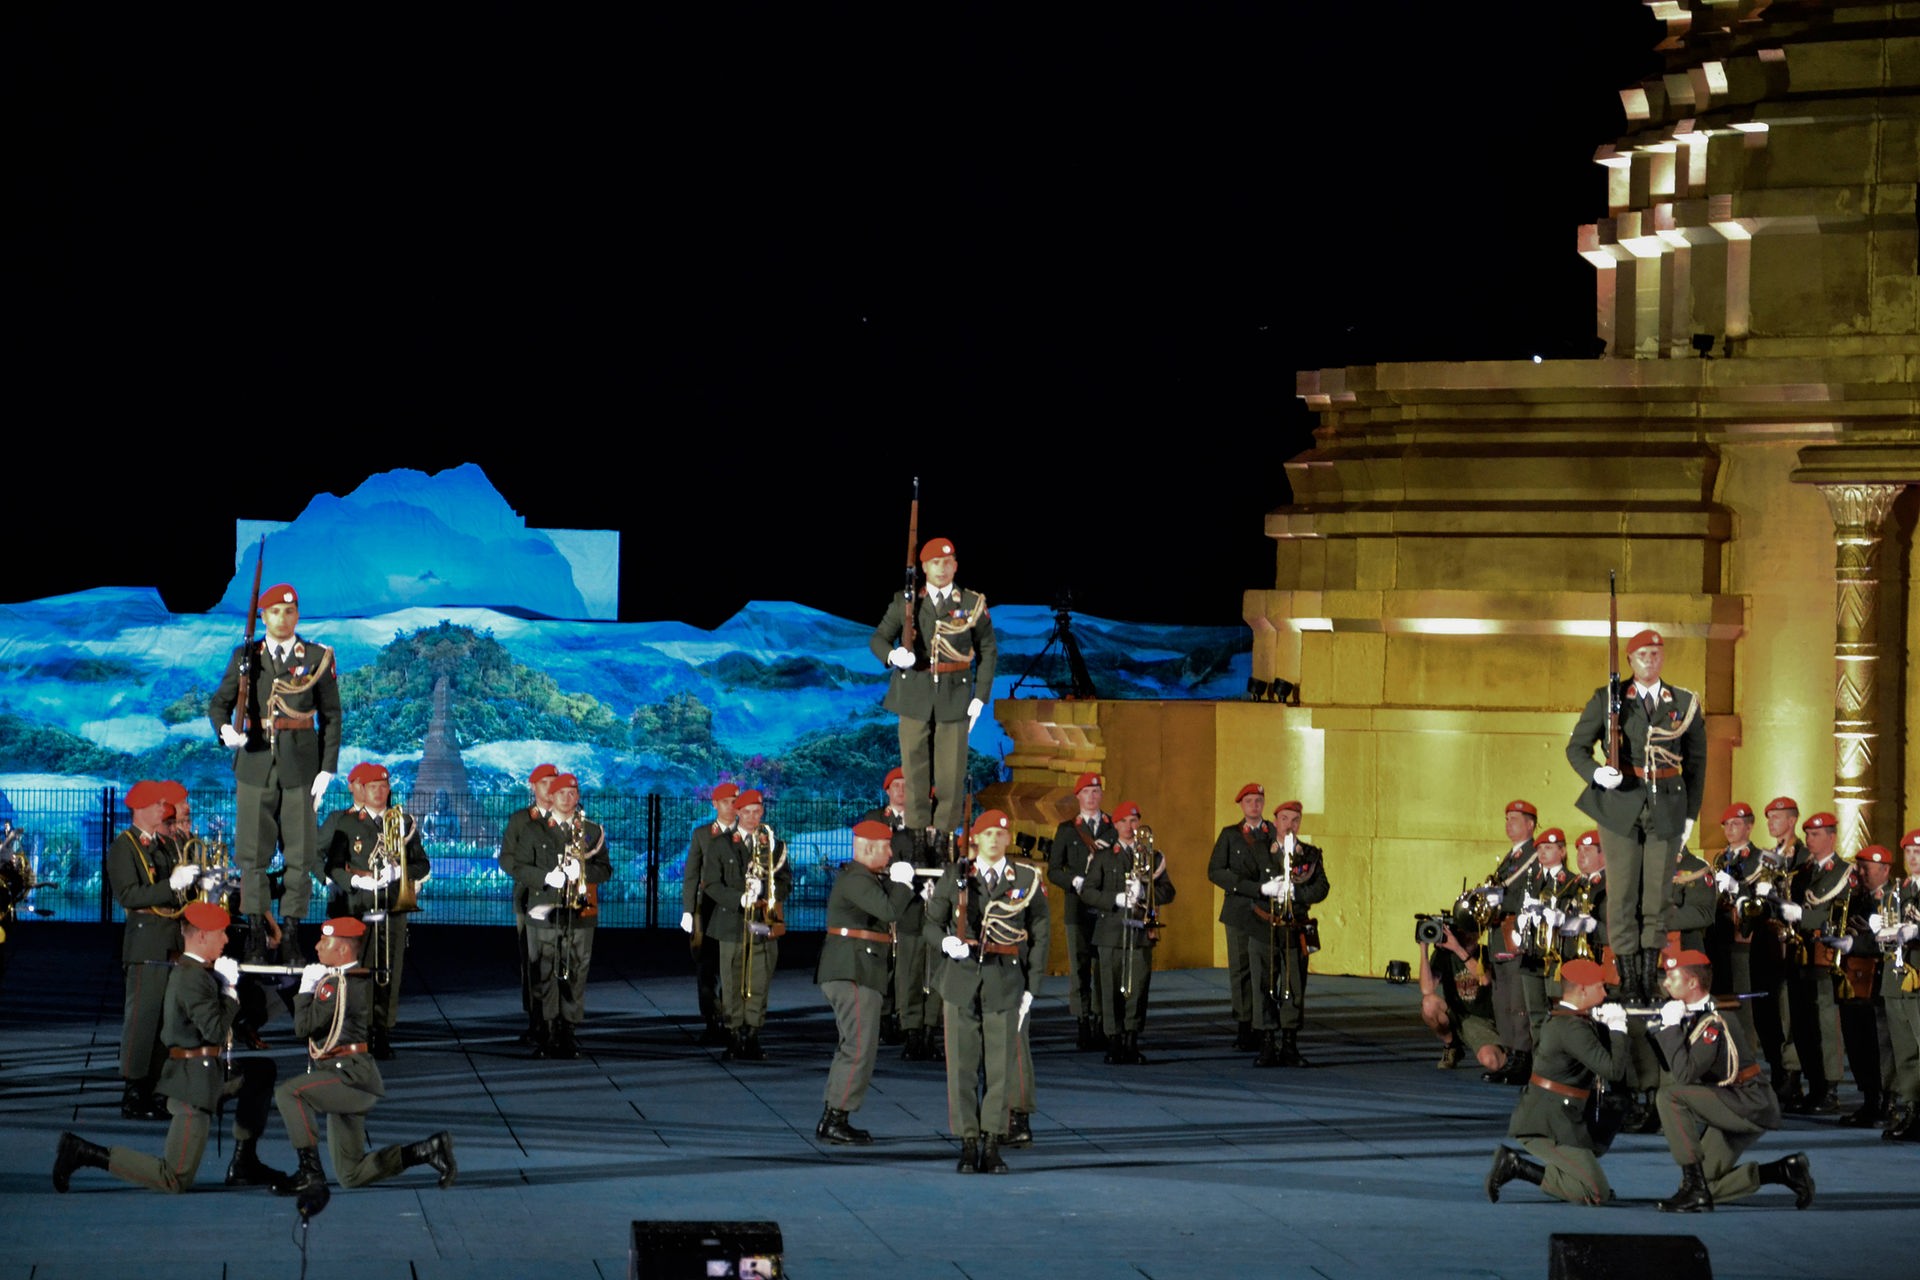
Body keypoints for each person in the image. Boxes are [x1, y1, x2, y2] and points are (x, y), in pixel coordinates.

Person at [53, 902, 286, 1194]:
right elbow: (214, 1029)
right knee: (174, 1178)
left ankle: (244, 1161)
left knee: (261, 1071)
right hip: (193, 1084)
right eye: (221, 934)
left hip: (208, 1073)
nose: (227, 940)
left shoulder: (198, 971)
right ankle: (84, 1153)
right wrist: (229, 990)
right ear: (201, 936)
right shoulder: (192, 977)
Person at [1566, 628, 1706, 1003]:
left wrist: (1690, 814)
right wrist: (1596, 773)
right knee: (1623, 895)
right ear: (1629, 659)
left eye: (1656, 654)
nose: (1650, 660)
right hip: (1620, 803)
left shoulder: (1682, 702)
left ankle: (1648, 977)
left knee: (1657, 897)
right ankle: (1628, 978)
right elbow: (1576, 748)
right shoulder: (1608, 698)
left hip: (1667, 804)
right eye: (1642, 654)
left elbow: (1696, 764)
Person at [273, 917, 455, 1198]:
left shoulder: (336, 985)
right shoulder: (344, 980)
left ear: (343, 951)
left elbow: (303, 1027)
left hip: (348, 1078)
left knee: (289, 1094)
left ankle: (309, 1171)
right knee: (351, 1175)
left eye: (325, 941)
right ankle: (425, 1151)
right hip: (347, 1075)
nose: (318, 946)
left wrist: (304, 989)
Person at [208, 581, 341, 965]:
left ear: (297, 614)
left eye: (290, 610)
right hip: (254, 763)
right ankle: (254, 934)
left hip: (301, 767)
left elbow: (331, 717)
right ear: (263, 616)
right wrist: (225, 731)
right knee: (252, 856)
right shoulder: (247, 656)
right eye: (275, 611)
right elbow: (219, 705)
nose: (283, 618)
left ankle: (292, 936)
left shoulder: (317, 656)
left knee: (300, 855)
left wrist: (327, 768)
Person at [923, 810, 1048, 1174]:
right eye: (987, 833)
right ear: (975, 838)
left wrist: (1032, 988)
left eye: (1000, 833)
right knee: (960, 1067)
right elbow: (930, 922)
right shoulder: (957, 875)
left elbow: (1040, 935)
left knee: (1000, 1068)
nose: (994, 839)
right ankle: (967, 1142)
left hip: (1005, 980)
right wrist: (947, 942)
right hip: (961, 979)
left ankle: (992, 1142)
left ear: (1008, 839)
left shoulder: (1025, 879)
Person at [1650, 949, 1813, 1212]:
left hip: (1747, 1102)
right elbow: (1672, 1063)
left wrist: (1669, 1028)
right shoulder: (1695, 1014)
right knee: (1708, 1185)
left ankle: (1694, 1188)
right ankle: (1783, 1171)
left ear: (1692, 983)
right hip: (1729, 1100)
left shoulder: (1714, 1021)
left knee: (1669, 1095)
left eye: (1672, 978)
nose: (1665, 983)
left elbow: (1683, 1074)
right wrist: (1658, 1029)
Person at [868, 537, 996, 839]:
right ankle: (915, 835)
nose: (942, 568)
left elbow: (988, 649)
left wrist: (980, 697)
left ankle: (943, 836)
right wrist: (893, 655)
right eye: (936, 563)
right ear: (924, 567)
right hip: (914, 692)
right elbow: (878, 639)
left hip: (955, 694)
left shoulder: (971, 603)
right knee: (914, 770)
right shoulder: (907, 601)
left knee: (951, 773)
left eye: (948, 562)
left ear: (956, 566)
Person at [1486, 955, 1629, 1206]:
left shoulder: (1569, 1019)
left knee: (1595, 1155)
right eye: (1600, 987)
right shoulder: (1571, 1028)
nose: (1606, 992)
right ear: (1583, 990)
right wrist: (1619, 1029)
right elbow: (1613, 1070)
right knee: (1596, 1195)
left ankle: (1578, 1178)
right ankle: (1516, 1167)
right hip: (1548, 1124)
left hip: (1564, 1115)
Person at [815, 819, 919, 1144]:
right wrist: (903, 885)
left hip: (856, 969)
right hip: (854, 971)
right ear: (869, 848)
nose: (890, 853)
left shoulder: (863, 877)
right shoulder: (858, 878)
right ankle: (836, 1118)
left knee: (853, 1046)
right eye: (886, 847)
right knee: (859, 1048)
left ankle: (834, 1115)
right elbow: (888, 910)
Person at [320, 762, 429, 1059]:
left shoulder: (402, 821)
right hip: (357, 908)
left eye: (384, 786)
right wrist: (355, 880)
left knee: (388, 972)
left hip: (392, 907)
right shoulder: (345, 821)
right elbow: (329, 864)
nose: (379, 792)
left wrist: (399, 873)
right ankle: (355, 1030)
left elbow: (423, 863)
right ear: (361, 790)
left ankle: (382, 1031)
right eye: (373, 787)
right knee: (356, 973)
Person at [1214, 790, 1329, 1067]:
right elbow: (1240, 881)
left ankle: (1289, 1043)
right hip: (1264, 926)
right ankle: (1266, 1043)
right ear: (1275, 821)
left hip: (1294, 929)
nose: (1290, 825)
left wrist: (1297, 893)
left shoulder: (1310, 854)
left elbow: (1322, 887)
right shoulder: (1257, 850)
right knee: (1263, 983)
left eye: (1295, 820)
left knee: (1294, 986)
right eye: (1285, 818)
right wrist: (1263, 889)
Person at [501, 773, 610, 1058]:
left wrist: (584, 873)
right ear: (552, 796)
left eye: (572, 793)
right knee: (544, 971)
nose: (566, 798)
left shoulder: (591, 831)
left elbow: (605, 869)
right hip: (544, 910)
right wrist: (546, 877)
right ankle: (547, 1032)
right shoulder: (534, 829)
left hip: (579, 913)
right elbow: (519, 866)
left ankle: (568, 1032)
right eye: (560, 793)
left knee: (575, 972)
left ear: (577, 796)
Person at [105, 780, 191, 1119]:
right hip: (146, 943)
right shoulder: (124, 847)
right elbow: (130, 895)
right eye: (158, 805)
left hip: (169, 940)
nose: (164, 810)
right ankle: (134, 1087)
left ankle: (157, 1088)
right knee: (143, 1020)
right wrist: (170, 886)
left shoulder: (162, 845)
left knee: (165, 1022)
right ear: (140, 808)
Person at [1079, 799, 1175, 1064]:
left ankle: (1131, 1040)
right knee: (1108, 988)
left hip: (1140, 931)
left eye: (1134, 821)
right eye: (1123, 821)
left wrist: (1147, 891)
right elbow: (1088, 892)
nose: (1129, 827)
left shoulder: (1152, 857)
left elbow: (1169, 891)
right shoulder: (1103, 857)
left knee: (1138, 988)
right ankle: (1113, 1041)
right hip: (1110, 931)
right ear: (1115, 824)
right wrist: (1116, 899)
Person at [703, 789, 790, 1060]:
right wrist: (739, 898)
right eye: (747, 811)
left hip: (763, 922)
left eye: (757, 811)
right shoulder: (722, 844)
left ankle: (752, 1034)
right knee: (732, 982)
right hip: (732, 922)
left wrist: (768, 895)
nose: (753, 817)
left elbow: (786, 880)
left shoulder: (774, 845)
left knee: (759, 979)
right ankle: (733, 1034)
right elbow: (711, 884)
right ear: (737, 812)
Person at [862, 767, 942, 1059]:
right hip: (885, 900)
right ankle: (890, 1019)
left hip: (921, 905)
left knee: (924, 969)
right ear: (887, 790)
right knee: (891, 966)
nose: (901, 791)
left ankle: (924, 1030)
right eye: (896, 785)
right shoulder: (876, 819)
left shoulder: (925, 822)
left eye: (906, 786)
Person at [1780, 810, 1847, 1115]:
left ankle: (1830, 1087)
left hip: (1825, 956)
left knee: (1826, 1023)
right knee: (1803, 1023)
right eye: (1808, 834)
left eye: (1817, 834)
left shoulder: (1843, 872)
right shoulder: (1804, 871)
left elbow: (1838, 913)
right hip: (1800, 954)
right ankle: (1813, 1083)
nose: (1810, 839)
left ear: (1832, 837)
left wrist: (1803, 917)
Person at [1475, 800, 1542, 1084]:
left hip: (1515, 936)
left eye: (1515, 819)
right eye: (1507, 818)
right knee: (1502, 1000)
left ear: (1530, 824)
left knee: (1518, 1002)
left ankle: (1522, 1058)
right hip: (1500, 937)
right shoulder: (1512, 857)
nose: (1509, 824)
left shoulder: (1534, 856)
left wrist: (1500, 901)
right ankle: (1509, 1056)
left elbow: (1532, 895)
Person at [1049, 772, 1115, 1051]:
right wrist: (1073, 881)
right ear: (1078, 797)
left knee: (1104, 965)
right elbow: (1054, 870)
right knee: (1079, 966)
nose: (1092, 797)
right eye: (1087, 792)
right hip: (1077, 906)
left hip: (1106, 907)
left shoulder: (1113, 829)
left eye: (1096, 792)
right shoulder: (1067, 830)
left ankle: (1102, 1021)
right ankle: (1083, 1021)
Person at [1208, 783, 1276, 1051]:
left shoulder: (1274, 833)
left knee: (1265, 971)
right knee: (1240, 970)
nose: (1254, 805)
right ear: (1241, 805)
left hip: (1266, 912)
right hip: (1238, 910)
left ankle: (1263, 1025)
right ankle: (1244, 1024)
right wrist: (1248, 887)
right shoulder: (1230, 835)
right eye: (1249, 801)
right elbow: (1215, 870)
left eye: (1258, 800)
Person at [1835, 843, 1896, 1130]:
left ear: (1884, 870)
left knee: (1879, 1044)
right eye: (1858, 867)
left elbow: (1887, 940)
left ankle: (1885, 1101)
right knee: (1857, 1041)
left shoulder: (1892, 898)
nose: (1860, 873)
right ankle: (1869, 1098)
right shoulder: (1856, 899)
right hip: (1855, 979)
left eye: (1866, 868)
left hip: (1880, 980)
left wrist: (1857, 940)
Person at [500, 763, 558, 1046]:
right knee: (533, 962)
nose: (551, 787)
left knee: (563, 960)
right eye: (545, 782)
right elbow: (507, 859)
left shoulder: (569, 818)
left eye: (554, 782)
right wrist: (540, 877)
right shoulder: (521, 821)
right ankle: (536, 1019)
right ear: (532, 786)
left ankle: (559, 1020)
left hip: (563, 903)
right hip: (530, 899)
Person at [680, 782, 738, 1047]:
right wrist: (688, 910)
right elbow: (692, 874)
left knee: (732, 967)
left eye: (735, 800)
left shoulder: (745, 834)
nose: (732, 806)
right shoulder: (703, 834)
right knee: (706, 967)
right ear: (714, 804)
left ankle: (730, 1019)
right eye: (726, 801)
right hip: (707, 910)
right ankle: (711, 1020)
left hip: (734, 909)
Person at [1873, 831, 1920, 1140]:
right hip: (1897, 978)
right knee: (1904, 1050)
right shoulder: (1897, 890)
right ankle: (1913, 1108)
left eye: (1918, 852)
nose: (1913, 858)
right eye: (1909, 852)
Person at [1419, 911, 1506, 1074]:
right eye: (1462, 933)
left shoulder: (1485, 953)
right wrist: (1423, 949)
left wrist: (1459, 949)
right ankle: (1451, 1045)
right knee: (1429, 1004)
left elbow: (1484, 979)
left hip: (1482, 1020)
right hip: (1457, 1014)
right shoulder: (1444, 955)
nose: (1468, 937)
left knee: (1492, 1061)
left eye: (1472, 933)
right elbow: (1427, 989)